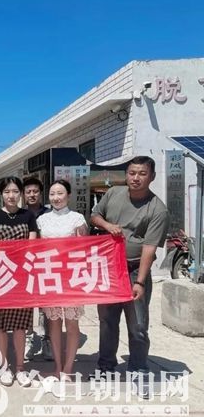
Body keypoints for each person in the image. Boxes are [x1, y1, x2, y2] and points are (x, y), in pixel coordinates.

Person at [91, 156, 169, 378]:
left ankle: (138, 368)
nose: (136, 178)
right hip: (109, 269)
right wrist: (107, 225)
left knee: (138, 325)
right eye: (132, 173)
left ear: (152, 177)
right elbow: (94, 216)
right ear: (126, 175)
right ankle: (105, 367)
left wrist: (140, 282)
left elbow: (149, 249)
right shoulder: (114, 193)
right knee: (107, 321)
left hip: (135, 270)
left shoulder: (158, 210)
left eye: (142, 174)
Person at [0, 177, 38, 387]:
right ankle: (3, 367)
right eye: (7, 191)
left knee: (20, 325)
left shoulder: (28, 216)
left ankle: (20, 368)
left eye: (15, 191)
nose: (11, 195)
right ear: (2, 194)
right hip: (0, 276)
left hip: (22, 276)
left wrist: (18, 262)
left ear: (21, 194)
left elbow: (32, 245)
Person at [36, 180, 88, 378]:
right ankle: (57, 366)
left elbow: (83, 248)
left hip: (71, 276)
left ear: (68, 195)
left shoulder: (77, 219)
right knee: (54, 322)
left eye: (60, 193)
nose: (56, 198)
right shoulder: (42, 220)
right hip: (50, 275)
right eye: (52, 194)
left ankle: (68, 368)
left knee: (72, 323)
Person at [22, 177, 53, 362]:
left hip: (45, 264)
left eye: (35, 191)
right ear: (24, 195)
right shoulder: (19, 214)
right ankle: (28, 339)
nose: (32, 195)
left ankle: (46, 340)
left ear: (41, 194)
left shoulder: (50, 214)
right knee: (27, 305)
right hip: (25, 265)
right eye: (28, 192)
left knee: (45, 306)